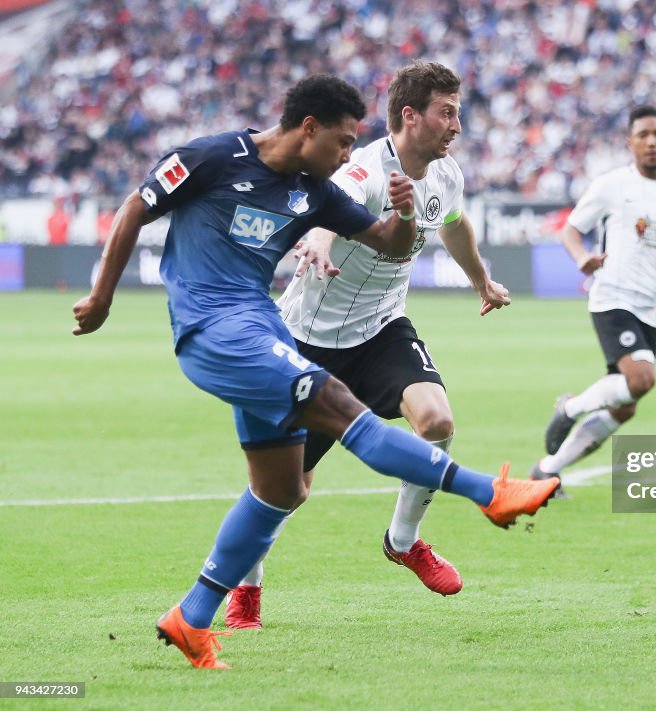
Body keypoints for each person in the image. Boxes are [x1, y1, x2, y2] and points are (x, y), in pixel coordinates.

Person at [71, 74, 559, 670]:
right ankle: (490, 493)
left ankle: (192, 617)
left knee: (282, 489)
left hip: (264, 329)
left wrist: (405, 215)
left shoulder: (315, 188)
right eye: (343, 142)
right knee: (343, 410)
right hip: (217, 334)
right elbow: (134, 209)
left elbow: (386, 239)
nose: (349, 155)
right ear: (309, 128)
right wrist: (101, 297)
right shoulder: (210, 157)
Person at [223, 62, 510, 629]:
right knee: (285, 489)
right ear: (410, 115)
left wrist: (481, 280)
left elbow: (453, 225)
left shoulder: (446, 173)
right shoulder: (366, 168)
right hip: (307, 343)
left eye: (458, 112)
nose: (456, 124)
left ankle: (404, 540)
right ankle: (246, 590)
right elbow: (331, 205)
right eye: (445, 112)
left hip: (381, 330)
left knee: (436, 421)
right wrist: (319, 240)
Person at [532, 105, 656, 493]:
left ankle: (547, 469)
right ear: (629, 142)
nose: (651, 142)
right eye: (643, 135)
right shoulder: (611, 185)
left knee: (625, 404)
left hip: (652, 307)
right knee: (642, 378)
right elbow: (570, 231)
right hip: (613, 297)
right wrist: (583, 259)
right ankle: (570, 408)